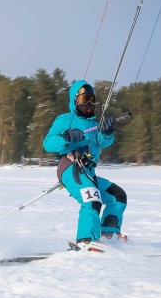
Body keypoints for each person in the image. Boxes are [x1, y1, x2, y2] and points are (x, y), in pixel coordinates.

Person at [43, 79, 127, 251]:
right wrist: (65, 137)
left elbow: (103, 142)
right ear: (75, 101)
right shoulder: (65, 120)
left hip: (88, 171)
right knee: (92, 198)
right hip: (70, 167)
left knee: (117, 196)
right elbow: (48, 143)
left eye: (91, 99)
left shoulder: (95, 124)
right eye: (84, 99)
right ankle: (86, 240)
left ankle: (108, 235)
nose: (88, 103)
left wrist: (107, 132)